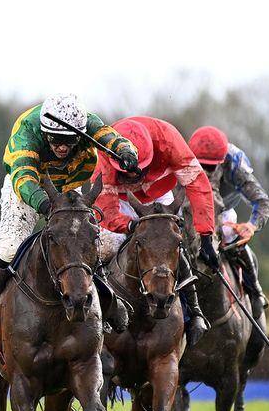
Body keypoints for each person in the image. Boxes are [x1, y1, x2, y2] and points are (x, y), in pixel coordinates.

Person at [0, 93, 138, 328]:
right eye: (54, 139)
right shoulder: (27, 132)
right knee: (10, 248)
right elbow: (24, 178)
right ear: (44, 131)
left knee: (82, 243)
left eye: (69, 141)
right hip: (27, 187)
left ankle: (107, 299)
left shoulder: (87, 122)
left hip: (68, 185)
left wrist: (127, 152)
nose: (61, 147)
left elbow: (110, 137)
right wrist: (46, 205)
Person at [92, 116, 219, 344]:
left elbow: (198, 185)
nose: (132, 178)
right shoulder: (105, 148)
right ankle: (94, 315)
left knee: (170, 242)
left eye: (137, 172)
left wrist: (206, 236)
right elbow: (105, 207)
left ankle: (194, 312)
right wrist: (129, 225)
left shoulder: (169, 141)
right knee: (106, 245)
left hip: (158, 194)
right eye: (126, 173)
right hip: (120, 198)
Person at [189, 126, 269, 318]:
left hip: (223, 209)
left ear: (222, 161)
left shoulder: (235, 165)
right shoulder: (182, 159)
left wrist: (251, 226)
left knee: (229, 234)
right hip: (192, 207)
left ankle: (255, 291)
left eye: (210, 167)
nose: (205, 171)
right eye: (200, 165)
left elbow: (262, 202)